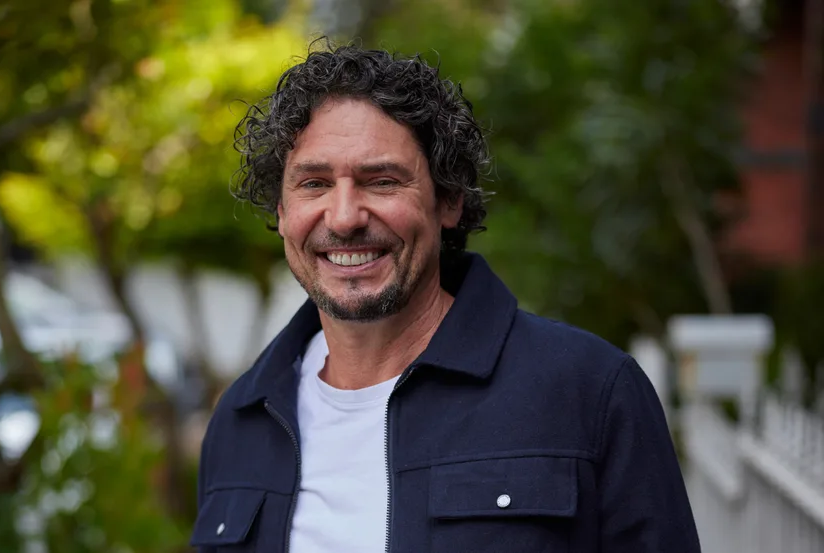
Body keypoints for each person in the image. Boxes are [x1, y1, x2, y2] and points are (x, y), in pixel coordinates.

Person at [191, 40, 700, 553]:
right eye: (314, 183)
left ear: (449, 200)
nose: (344, 218)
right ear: (282, 212)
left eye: (382, 181)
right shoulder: (240, 420)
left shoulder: (590, 391)